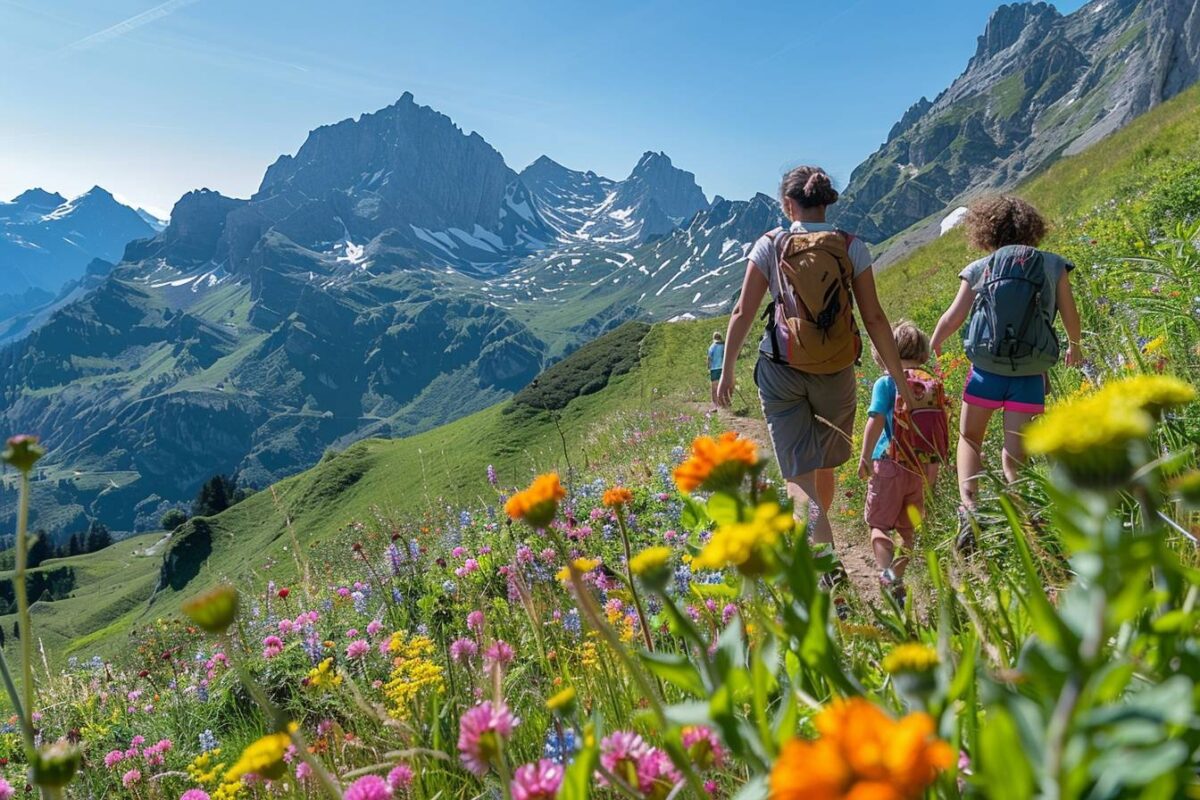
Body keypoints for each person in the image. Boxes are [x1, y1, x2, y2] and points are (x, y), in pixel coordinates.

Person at [717, 165, 916, 592]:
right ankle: (817, 532)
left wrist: (728, 367)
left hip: (781, 372)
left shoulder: (770, 244)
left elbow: (742, 312)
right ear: (827, 202)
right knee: (823, 461)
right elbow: (875, 317)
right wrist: (898, 377)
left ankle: (823, 560)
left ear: (788, 203)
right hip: (836, 372)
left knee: (798, 477)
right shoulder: (850, 246)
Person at [930, 195, 1083, 553]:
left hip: (986, 369)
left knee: (970, 438)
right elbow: (1069, 312)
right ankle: (1027, 514)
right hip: (1031, 372)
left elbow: (953, 316)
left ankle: (971, 510)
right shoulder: (1053, 265)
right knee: (1016, 453)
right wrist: (1075, 345)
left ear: (987, 230)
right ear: (1033, 227)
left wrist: (935, 343)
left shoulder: (980, 266)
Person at [858, 322, 944, 605]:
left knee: (879, 525)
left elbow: (876, 420)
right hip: (919, 468)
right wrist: (932, 474)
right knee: (907, 532)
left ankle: (887, 575)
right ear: (922, 351)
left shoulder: (887, 382)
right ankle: (897, 576)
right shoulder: (931, 384)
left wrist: (865, 456)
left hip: (888, 462)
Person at [707, 333, 725, 412]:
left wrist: (708, 367)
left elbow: (709, 358)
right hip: (723, 368)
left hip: (714, 368)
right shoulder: (724, 345)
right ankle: (724, 403)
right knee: (722, 385)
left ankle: (715, 405)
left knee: (714, 388)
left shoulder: (712, 346)